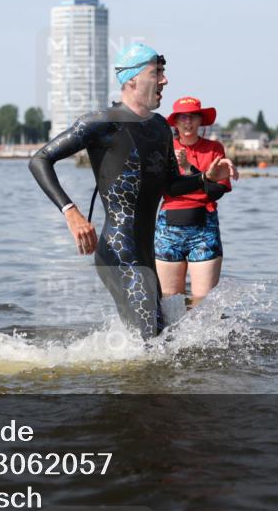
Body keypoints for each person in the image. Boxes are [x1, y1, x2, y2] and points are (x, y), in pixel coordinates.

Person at [29, 44, 234, 340]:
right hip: (117, 251)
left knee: (159, 339)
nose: (164, 81)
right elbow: (39, 160)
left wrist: (205, 178)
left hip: (146, 253)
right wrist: (70, 212)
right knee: (152, 340)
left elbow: (171, 186)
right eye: (157, 73)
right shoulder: (102, 122)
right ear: (132, 79)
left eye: (164, 73)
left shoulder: (161, 128)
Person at [154, 96, 235, 304]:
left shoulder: (214, 149)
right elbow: (166, 188)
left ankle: (200, 338)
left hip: (204, 227)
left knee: (203, 302)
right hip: (168, 228)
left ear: (201, 121)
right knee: (170, 300)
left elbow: (216, 191)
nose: (187, 122)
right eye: (182, 117)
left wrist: (190, 168)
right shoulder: (165, 148)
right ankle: (173, 337)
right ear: (175, 122)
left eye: (192, 117)